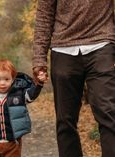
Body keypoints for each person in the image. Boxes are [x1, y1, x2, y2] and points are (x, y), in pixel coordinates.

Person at [32, 0, 115, 157]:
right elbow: (44, 15)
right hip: (63, 48)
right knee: (65, 120)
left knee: (108, 112)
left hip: (101, 43)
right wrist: (39, 59)